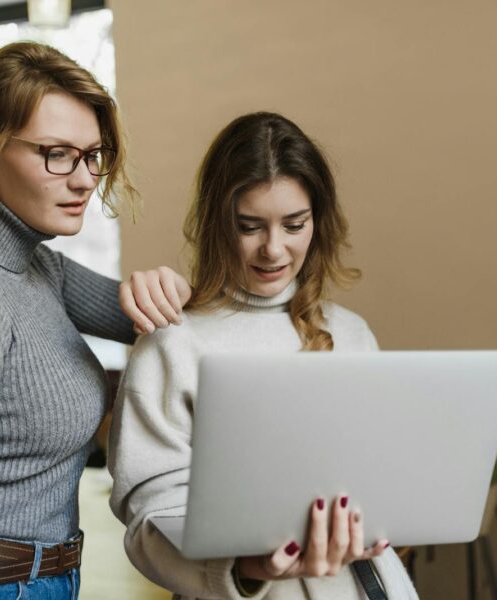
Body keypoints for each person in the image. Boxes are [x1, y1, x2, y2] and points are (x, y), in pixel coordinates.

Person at [108, 112, 419, 599]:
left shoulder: (352, 333)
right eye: (249, 226)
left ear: (319, 220)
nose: (274, 249)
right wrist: (248, 568)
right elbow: (150, 521)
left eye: (295, 225)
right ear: (215, 223)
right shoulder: (172, 343)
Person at [0, 41, 191, 599]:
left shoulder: (36, 265)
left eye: (92, 155)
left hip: (45, 578)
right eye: (57, 154)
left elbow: (174, 324)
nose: (84, 180)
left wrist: (167, 288)